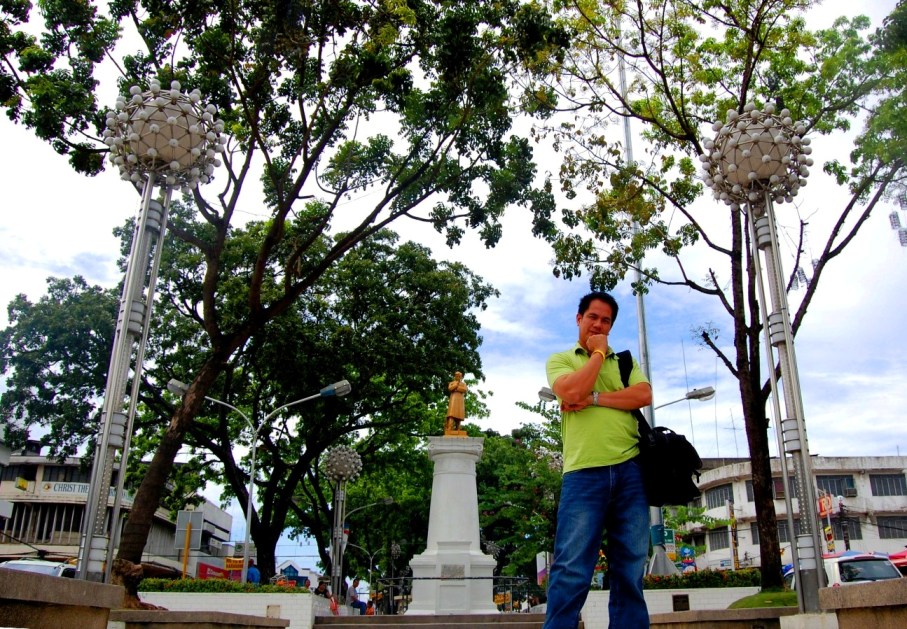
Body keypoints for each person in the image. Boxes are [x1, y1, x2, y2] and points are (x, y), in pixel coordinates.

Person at [543, 291, 652, 629]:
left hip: (630, 470)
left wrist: (593, 398)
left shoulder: (624, 362)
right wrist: (597, 353)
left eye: (606, 320)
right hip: (583, 473)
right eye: (593, 317)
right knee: (572, 567)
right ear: (579, 318)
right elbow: (570, 391)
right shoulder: (560, 360)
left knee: (631, 566)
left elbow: (643, 394)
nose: (598, 324)